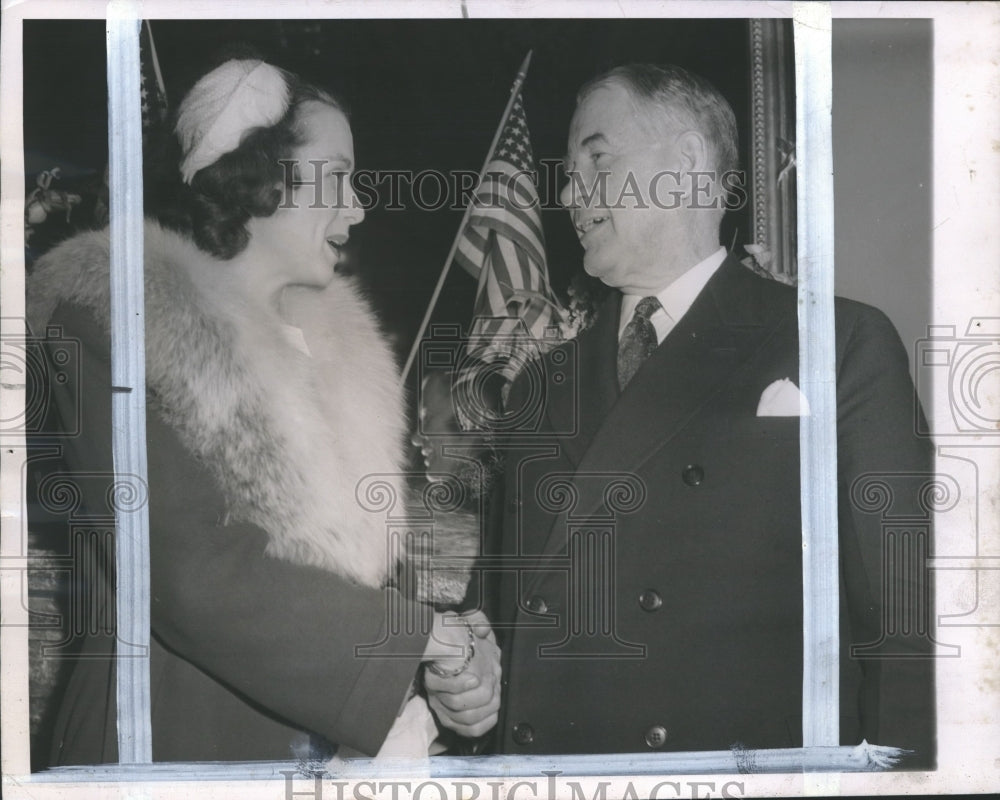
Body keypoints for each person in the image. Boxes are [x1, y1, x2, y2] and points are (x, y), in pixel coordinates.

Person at [27, 58, 499, 764]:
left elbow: (356, 583)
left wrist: (445, 676)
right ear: (256, 178)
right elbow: (193, 573)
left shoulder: (339, 355)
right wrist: (410, 639)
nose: (359, 208)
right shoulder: (111, 321)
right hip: (168, 752)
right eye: (336, 177)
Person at [489, 64, 935, 765]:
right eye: (567, 172)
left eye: (596, 159)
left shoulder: (837, 342)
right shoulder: (539, 385)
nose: (569, 192)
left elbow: (905, 628)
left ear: (689, 162)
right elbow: (505, 621)